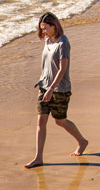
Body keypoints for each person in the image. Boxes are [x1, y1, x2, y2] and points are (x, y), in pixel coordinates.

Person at [24, 12, 88, 169]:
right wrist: (46, 87)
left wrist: (52, 88)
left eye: (46, 28)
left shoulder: (63, 43)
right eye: (42, 28)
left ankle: (82, 141)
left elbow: (62, 69)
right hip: (44, 86)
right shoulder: (47, 40)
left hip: (60, 89)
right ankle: (38, 158)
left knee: (60, 121)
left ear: (54, 26)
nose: (43, 31)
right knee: (41, 121)